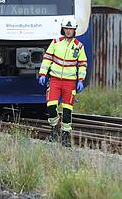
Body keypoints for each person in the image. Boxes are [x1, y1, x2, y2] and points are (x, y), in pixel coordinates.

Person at [37, 17, 88, 147]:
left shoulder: (79, 46)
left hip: (70, 82)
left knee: (67, 110)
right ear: (62, 29)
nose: (68, 31)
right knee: (51, 106)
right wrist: (43, 73)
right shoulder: (55, 42)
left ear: (74, 30)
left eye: (71, 29)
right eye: (66, 28)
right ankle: (55, 127)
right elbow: (47, 58)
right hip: (54, 80)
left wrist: (81, 80)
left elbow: (82, 64)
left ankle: (66, 135)